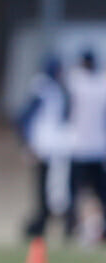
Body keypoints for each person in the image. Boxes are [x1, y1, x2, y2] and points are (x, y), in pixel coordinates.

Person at [16, 55, 74, 240]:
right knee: (44, 195)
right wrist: (27, 143)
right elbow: (23, 118)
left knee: (54, 194)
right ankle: (35, 229)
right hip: (42, 149)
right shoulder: (42, 90)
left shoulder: (57, 90)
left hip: (56, 150)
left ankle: (40, 228)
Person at [65, 48, 106, 245]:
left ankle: (72, 228)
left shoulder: (77, 82)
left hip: (79, 148)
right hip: (98, 148)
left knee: (76, 193)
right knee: (100, 193)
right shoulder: (101, 84)